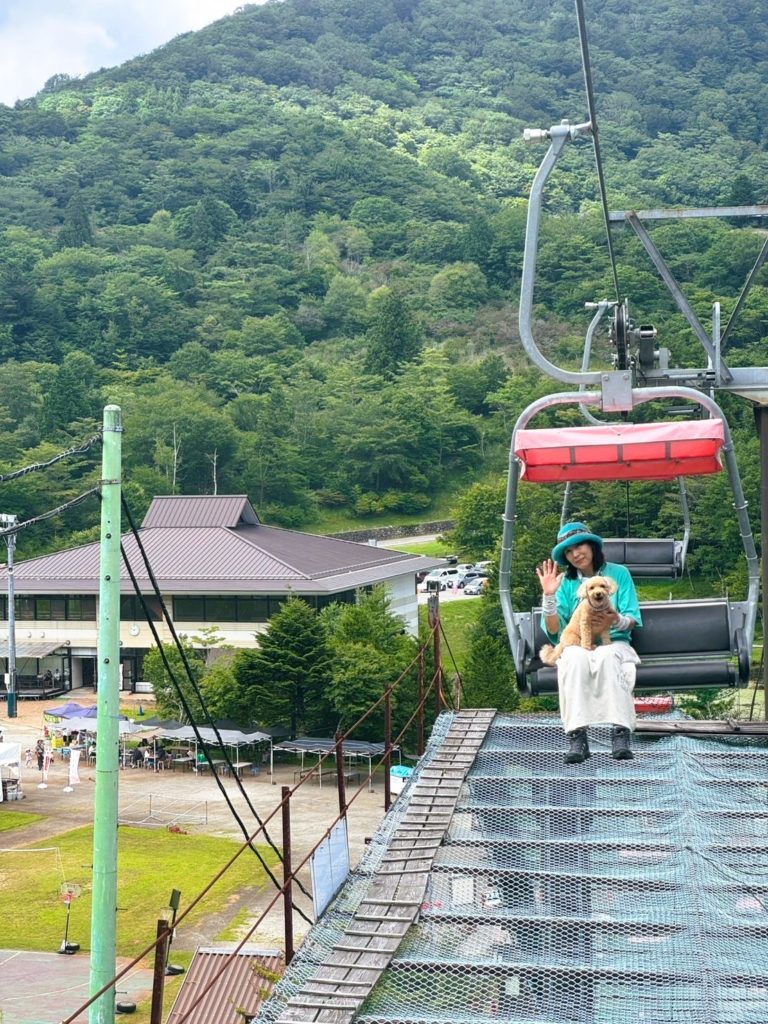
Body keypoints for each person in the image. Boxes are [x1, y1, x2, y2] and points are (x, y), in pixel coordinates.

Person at [536, 521, 642, 764]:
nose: (575, 554)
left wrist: (615, 620)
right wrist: (549, 596)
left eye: (579, 546)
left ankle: (620, 732)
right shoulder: (565, 583)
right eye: (568, 551)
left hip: (612, 640)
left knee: (608, 656)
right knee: (573, 660)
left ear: (592, 546)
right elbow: (555, 629)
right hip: (578, 642)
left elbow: (631, 618)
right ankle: (577, 736)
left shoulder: (618, 574)